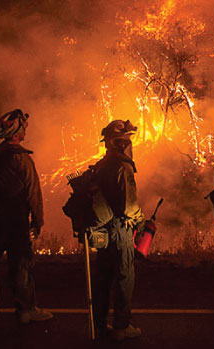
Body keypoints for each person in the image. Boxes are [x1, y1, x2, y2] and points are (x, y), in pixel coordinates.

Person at [0, 109, 52, 327]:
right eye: (23, 127)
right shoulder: (22, 159)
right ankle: (25, 311)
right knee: (21, 267)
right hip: (15, 224)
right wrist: (38, 221)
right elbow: (34, 192)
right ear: (17, 132)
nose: (25, 130)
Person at [91, 119, 144, 341]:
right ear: (121, 143)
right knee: (124, 276)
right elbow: (128, 205)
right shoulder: (122, 167)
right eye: (127, 140)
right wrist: (140, 220)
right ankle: (121, 327)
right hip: (119, 230)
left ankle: (100, 325)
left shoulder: (102, 165)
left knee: (102, 278)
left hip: (101, 231)